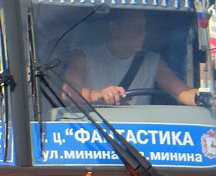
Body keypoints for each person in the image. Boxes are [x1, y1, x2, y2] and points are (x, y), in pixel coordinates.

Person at [62, 9, 204, 106]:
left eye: (144, 28)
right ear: (114, 28)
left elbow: (182, 92)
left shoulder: (152, 61)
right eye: (137, 28)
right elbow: (68, 92)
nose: (143, 33)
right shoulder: (83, 57)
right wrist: (99, 95)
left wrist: (208, 99)